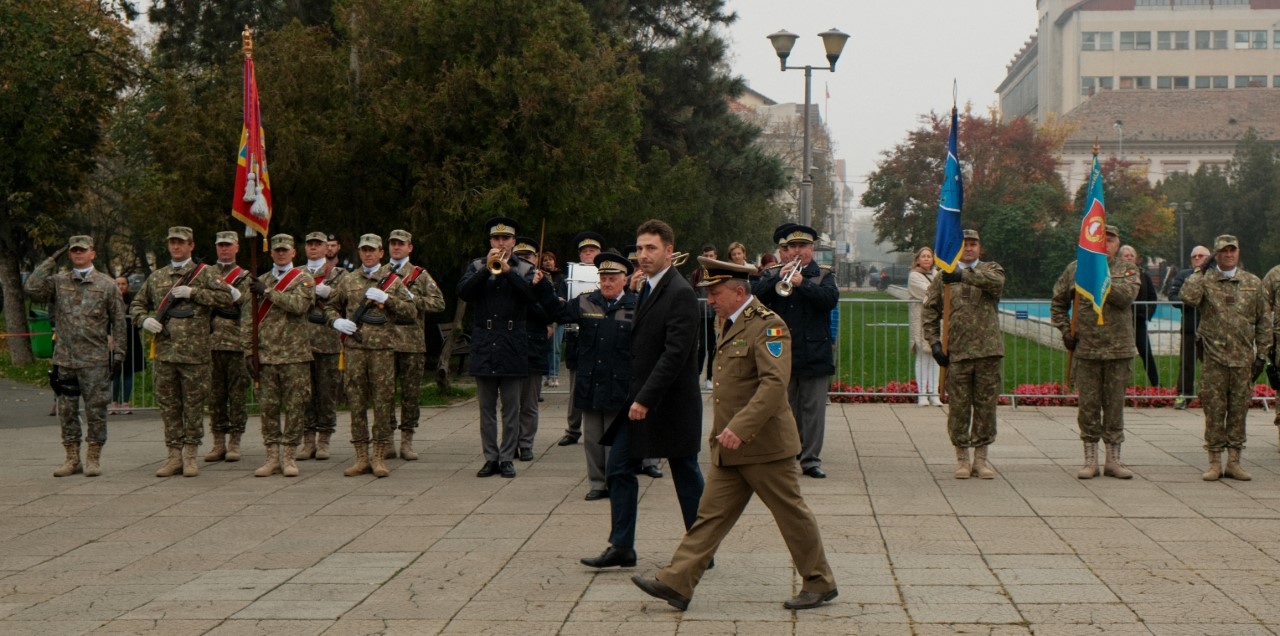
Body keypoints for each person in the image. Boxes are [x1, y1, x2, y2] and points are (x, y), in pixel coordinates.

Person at [630, 257, 837, 612]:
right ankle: (677, 583)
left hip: (765, 446)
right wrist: (725, 433)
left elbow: (774, 385)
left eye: (716, 292)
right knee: (709, 517)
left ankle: (819, 582)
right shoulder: (727, 322)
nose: (710, 299)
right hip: (730, 445)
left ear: (740, 291)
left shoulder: (768, 327)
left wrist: (740, 428)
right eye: (709, 293)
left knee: (790, 514)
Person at [581, 219, 705, 570]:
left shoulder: (680, 291)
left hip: (670, 403)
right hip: (639, 398)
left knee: (686, 474)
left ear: (669, 251)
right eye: (639, 248)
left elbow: (675, 354)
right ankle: (622, 546)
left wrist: (645, 398)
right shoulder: (647, 287)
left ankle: (701, 547)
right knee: (618, 468)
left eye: (652, 248)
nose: (643, 255)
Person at [130, 226, 234, 477]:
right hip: (165, 353)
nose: (176, 247)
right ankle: (174, 454)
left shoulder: (205, 273)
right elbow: (137, 304)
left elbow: (229, 298)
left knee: (194, 405)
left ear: (191, 246)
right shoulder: (157, 277)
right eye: (172, 242)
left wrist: (194, 293)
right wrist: (143, 320)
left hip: (195, 355)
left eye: (181, 242)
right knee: (169, 406)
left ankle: (190, 454)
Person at [24, 236, 127, 477]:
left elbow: (119, 323)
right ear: (69, 254)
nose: (78, 254)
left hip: (95, 361)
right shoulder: (59, 282)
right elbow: (31, 288)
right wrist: (51, 260)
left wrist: (119, 355)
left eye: (83, 250)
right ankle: (72, 458)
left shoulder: (106, 285)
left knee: (96, 411)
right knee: (67, 411)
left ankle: (93, 457)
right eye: (74, 251)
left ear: (93, 253)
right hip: (66, 360)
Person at [540, 252, 637, 500]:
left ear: (624, 279)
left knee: (615, 439)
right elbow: (558, 311)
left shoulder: (636, 305)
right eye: (603, 277)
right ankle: (597, 483)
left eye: (612, 278)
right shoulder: (586, 302)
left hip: (620, 382)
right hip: (591, 381)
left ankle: (615, 481)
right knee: (593, 439)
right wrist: (542, 285)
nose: (606, 282)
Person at [1050, 226, 1141, 480]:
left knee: (1114, 407)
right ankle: (1090, 459)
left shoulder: (1127, 269)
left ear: (1117, 244)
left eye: (1110, 240)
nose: (1105, 244)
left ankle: (1113, 459)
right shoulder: (1075, 269)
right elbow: (1058, 302)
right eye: (1101, 239)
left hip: (1118, 350)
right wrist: (1065, 331)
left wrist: (1099, 276)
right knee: (1088, 407)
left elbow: (1125, 297)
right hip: (1087, 349)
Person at [457, 217, 545, 479]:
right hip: (485, 343)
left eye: (506, 238)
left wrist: (507, 272)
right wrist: (487, 268)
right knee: (486, 409)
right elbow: (464, 292)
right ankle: (490, 457)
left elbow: (532, 298)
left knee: (511, 408)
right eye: (496, 239)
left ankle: (507, 457)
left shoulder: (525, 268)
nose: (501, 243)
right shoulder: (476, 265)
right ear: (490, 242)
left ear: (514, 242)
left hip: (512, 343)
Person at [1180, 235, 1270, 481]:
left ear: (1238, 253)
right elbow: (1187, 297)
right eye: (1223, 251)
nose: (1229, 255)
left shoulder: (1252, 282)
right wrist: (1201, 269)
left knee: (1239, 410)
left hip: (1242, 359)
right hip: (1215, 358)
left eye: (1233, 250)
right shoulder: (1206, 280)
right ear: (1216, 255)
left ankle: (1234, 461)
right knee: (1215, 409)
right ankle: (1214, 461)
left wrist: (1262, 353)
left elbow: (1264, 320)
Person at [324, 233, 413, 477]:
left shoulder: (392, 281)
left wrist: (389, 299)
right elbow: (329, 306)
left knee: (383, 403)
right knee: (356, 402)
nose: (368, 254)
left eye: (372, 250)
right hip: (355, 350)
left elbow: (411, 310)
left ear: (381, 253)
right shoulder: (348, 279)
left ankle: (379, 456)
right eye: (364, 250)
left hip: (382, 350)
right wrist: (337, 322)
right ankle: (361, 456)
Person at [753, 224, 838, 479]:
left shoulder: (823, 275)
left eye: (802, 246)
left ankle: (811, 460)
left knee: (813, 410)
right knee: (783, 407)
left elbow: (829, 300)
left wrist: (803, 284)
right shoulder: (774, 273)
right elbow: (755, 297)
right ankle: (786, 454)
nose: (796, 251)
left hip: (814, 352)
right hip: (781, 351)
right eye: (792, 247)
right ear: (786, 250)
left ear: (811, 249)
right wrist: (779, 279)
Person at [923, 229, 1005, 480]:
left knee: (985, 408)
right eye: (964, 245)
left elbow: (996, 285)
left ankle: (980, 459)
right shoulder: (943, 277)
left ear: (980, 248)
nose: (969, 248)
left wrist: (964, 276)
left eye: (973, 244)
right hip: (957, 353)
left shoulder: (992, 269)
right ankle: (962, 458)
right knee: (959, 408)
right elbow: (930, 312)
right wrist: (935, 343)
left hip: (987, 352)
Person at [243, 234, 315, 477]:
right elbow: (248, 319)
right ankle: (272, 456)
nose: (281, 254)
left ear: (294, 253)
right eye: (277, 250)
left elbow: (298, 306)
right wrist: (248, 351)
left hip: (295, 356)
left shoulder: (304, 279)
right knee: (268, 408)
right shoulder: (259, 280)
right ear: (271, 253)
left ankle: (289, 456)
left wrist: (269, 293)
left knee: (295, 407)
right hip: (266, 356)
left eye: (285, 250)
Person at [385, 229, 447, 460]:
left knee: (410, 395)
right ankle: (387, 439)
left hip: (411, 343)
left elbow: (438, 303)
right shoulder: (381, 273)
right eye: (393, 243)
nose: (396, 247)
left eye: (401, 244)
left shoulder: (420, 275)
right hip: (385, 342)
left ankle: (407, 441)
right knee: (385, 394)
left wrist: (414, 300)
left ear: (410, 247)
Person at [205, 231, 253, 463]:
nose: (224, 250)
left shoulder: (244, 276)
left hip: (236, 343)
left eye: (228, 245)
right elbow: (201, 300)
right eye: (220, 245)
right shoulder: (205, 273)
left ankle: (234, 441)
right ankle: (217, 442)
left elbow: (246, 306)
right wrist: (225, 298)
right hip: (211, 342)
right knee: (215, 396)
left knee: (237, 395)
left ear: (236, 247)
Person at [300, 231, 347, 460]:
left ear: (326, 248)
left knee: (327, 392)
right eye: (310, 244)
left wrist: (333, 293)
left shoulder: (339, 274)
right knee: (305, 393)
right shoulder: (295, 273)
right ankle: (307, 440)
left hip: (327, 340)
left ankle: (324, 440)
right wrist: (311, 291)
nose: (314, 248)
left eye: (318, 244)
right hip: (301, 342)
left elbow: (349, 300)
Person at [514, 236, 554, 462]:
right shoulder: (507, 277)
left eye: (528, 257)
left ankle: (526, 443)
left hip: (534, 347)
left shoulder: (543, 281)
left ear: (536, 259)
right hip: (511, 348)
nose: (525, 261)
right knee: (511, 404)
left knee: (529, 403)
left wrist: (534, 292)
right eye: (520, 258)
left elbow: (550, 313)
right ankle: (510, 443)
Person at [1168, 246, 1209, 408]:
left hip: (1212, 330)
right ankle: (1183, 396)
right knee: (1186, 364)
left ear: (1209, 257)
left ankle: (1210, 396)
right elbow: (1173, 296)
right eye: (1194, 256)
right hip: (1190, 327)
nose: (1197, 258)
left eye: (1201, 256)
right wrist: (1190, 300)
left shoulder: (1214, 275)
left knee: (1212, 365)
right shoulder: (1184, 275)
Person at [1121, 245, 1160, 387]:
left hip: (1139, 321)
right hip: (1120, 322)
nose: (1130, 257)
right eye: (1126, 255)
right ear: (1120, 258)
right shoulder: (1115, 275)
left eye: (1132, 254)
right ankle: (1122, 386)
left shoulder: (1144, 276)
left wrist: (1147, 313)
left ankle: (1156, 385)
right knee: (1122, 356)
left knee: (1146, 353)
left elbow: (1152, 297)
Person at [908, 246, 941, 407]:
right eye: (924, 256)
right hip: (921, 320)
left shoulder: (937, 274)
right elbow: (929, 293)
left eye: (929, 256)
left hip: (936, 321)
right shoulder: (914, 276)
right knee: (922, 356)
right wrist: (939, 292)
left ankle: (934, 393)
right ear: (918, 259)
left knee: (936, 356)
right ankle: (922, 394)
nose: (927, 258)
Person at [109, 276, 144, 415]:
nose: (121, 286)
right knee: (114, 372)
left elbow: (140, 317)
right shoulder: (109, 300)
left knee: (128, 372)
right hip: (113, 340)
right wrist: (108, 335)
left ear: (128, 286)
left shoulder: (134, 301)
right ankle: (113, 402)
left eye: (123, 284)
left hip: (131, 340)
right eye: (118, 284)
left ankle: (125, 402)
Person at [688, 243, 719, 390]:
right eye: (706, 256)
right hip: (700, 315)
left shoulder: (719, 271)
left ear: (716, 256)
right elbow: (691, 291)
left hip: (714, 314)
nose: (708, 258)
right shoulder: (696, 273)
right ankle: (697, 375)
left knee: (712, 345)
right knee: (702, 346)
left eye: (711, 256)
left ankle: (709, 377)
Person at [541, 250, 565, 388]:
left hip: (557, 316)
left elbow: (563, 296)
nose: (548, 262)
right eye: (545, 260)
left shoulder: (562, 277)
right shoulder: (540, 276)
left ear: (555, 261)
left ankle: (554, 375)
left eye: (550, 259)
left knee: (555, 348)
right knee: (543, 347)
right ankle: (544, 374)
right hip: (544, 316)